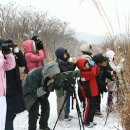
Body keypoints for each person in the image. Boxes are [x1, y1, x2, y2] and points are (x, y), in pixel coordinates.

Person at [22, 61, 61, 130]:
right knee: (34, 111)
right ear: (49, 72)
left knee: (46, 107)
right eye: (53, 74)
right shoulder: (34, 75)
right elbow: (34, 92)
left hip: (41, 91)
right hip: (30, 92)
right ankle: (32, 128)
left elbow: (51, 87)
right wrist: (46, 88)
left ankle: (43, 126)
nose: (54, 76)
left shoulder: (50, 75)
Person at [4, 40, 26, 130]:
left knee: (13, 113)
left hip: (15, 86)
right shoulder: (2, 56)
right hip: (7, 89)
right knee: (8, 115)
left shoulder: (13, 54)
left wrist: (17, 51)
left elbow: (23, 63)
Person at [76, 58, 99, 128]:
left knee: (93, 106)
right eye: (86, 64)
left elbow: (96, 74)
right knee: (89, 107)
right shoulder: (83, 73)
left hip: (93, 91)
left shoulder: (89, 70)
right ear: (82, 66)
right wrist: (94, 66)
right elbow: (92, 74)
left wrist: (96, 66)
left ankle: (90, 120)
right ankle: (86, 121)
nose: (88, 64)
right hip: (89, 92)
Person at [55, 48, 76, 121]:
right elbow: (67, 71)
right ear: (60, 55)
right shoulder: (58, 63)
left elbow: (69, 69)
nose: (66, 55)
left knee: (66, 100)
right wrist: (73, 64)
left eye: (66, 54)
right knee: (61, 101)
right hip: (60, 86)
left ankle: (66, 114)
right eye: (64, 54)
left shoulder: (64, 61)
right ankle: (61, 116)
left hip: (66, 84)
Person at [0, 39, 16, 130]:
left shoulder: (1, 57)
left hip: (2, 94)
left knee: (2, 121)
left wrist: (8, 53)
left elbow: (10, 66)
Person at [78, 43, 93, 110]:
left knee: (81, 89)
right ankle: (84, 103)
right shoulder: (87, 57)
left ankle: (83, 102)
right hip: (86, 76)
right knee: (84, 90)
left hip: (83, 76)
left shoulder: (83, 56)